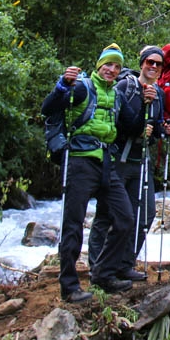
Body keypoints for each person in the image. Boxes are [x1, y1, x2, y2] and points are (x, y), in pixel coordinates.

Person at [41, 44, 134, 302]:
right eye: (108, 64)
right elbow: (47, 108)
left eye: (117, 66)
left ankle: (102, 273)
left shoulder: (117, 96)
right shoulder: (82, 88)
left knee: (125, 218)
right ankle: (69, 287)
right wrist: (62, 84)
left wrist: (150, 105)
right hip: (80, 161)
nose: (112, 70)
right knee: (73, 224)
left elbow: (133, 125)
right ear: (99, 65)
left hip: (106, 161)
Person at [89, 46, 170, 282]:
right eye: (150, 62)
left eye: (159, 64)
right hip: (118, 159)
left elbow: (155, 126)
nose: (154, 67)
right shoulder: (126, 87)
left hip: (141, 161)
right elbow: (114, 120)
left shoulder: (159, 93)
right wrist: (140, 126)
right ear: (142, 63)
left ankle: (124, 263)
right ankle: (97, 266)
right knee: (107, 215)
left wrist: (164, 129)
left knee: (145, 215)